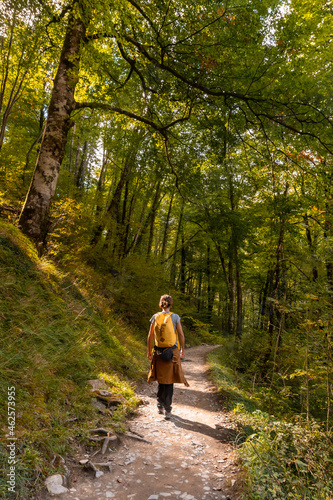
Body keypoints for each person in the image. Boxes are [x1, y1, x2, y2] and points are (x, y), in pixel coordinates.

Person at [147, 294, 189, 420]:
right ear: (171, 304)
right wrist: (182, 349)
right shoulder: (175, 317)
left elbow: (150, 335)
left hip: (158, 352)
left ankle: (159, 404)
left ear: (160, 304)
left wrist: (149, 351)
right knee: (169, 381)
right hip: (172, 352)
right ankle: (167, 409)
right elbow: (181, 334)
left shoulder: (155, 317)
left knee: (161, 379)